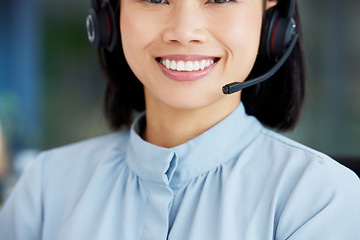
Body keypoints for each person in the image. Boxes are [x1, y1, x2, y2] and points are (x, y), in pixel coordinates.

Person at [1, 0, 360, 239]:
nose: (184, 30)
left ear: (272, 15)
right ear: (109, 15)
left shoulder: (319, 199)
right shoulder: (46, 187)